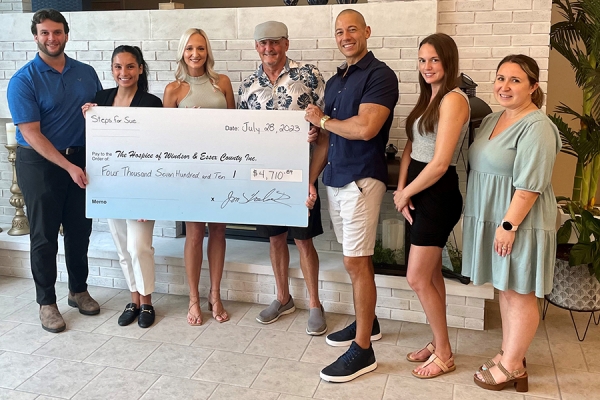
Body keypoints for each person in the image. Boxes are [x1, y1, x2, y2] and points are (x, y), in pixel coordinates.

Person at [304, 9, 399, 382]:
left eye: (352, 29)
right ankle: (368, 323)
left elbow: (364, 127)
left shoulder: (380, 75)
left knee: (357, 262)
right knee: (352, 260)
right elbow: (328, 137)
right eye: (340, 31)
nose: (346, 36)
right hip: (335, 179)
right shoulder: (335, 80)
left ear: (367, 32)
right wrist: (311, 180)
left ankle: (363, 350)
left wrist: (322, 120)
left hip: (361, 180)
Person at [462, 54, 560, 393]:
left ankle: (514, 366)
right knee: (505, 287)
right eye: (501, 78)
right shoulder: (492, 120)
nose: (505, 86)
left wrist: (508, 226)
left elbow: (530, 184)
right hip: (496, 217)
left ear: (533, 86)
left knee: (519, 292)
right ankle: (509, 352)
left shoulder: (537, 126)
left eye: (515, 80)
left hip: (520, 221)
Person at [7, 9, 103, 333]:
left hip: (81, 160)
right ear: (35, 36)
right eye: (45, 33)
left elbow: (101, 116)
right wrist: (68, 167)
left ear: (66, 34)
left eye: (57, 32)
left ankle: (78, 290)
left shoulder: (86, 72)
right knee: (44, 236)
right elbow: (31, 133)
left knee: (80, 231)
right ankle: (47, 302)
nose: (52, 38)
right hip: (40, 164)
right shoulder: (23, 80)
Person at [238, 21, 327, 335]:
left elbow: (328, 123)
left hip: (302, 174)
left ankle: (315, 304)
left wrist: (318, 131)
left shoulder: (309, 75)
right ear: (256, 47)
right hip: (264, 177)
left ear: (286, 44)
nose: (269, 49)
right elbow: (241, 134)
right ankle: (283, 297)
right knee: (275, 239)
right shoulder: (247, 86)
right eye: (263, 43)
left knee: (303, 240)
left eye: (274, 42)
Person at [393, 33, 470, 379]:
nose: (427, 67)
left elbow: (439, 164)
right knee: (432, 275)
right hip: (419, 191)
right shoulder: (429, 98)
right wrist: (402, 189)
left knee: (416, 277)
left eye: (434, 60)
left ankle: (445, 355)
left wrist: (406, 191)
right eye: (422, 60)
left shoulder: (453, 100)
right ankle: (439, 343)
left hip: (439, 195)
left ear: (448, 61)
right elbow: (410, 147)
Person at [82, 46, 162, 328]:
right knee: (122, 248)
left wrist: (149, 198)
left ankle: (148, 302)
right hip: (110, 185)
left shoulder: (152, 103)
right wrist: (88, 117)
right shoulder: (101, 100)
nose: (123, 72)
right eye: (118, 67)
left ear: (140, 68)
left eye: (130, 66)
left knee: (140, 247)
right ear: (112, 69)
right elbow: (96, 142)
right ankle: (134, 299)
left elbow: (157, 152)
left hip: (141, 188)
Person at [163, 28, 235, 326]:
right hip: (190, 173)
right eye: (190, 48)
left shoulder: (223, 83)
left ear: (208, 52)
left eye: (201, 48)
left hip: (220, 169)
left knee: (218, 231)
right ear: (182, 52)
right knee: (194, 233)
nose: (195, 54)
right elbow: (165, 139)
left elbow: (235, 126)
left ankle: (214, 294)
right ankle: (194, 298)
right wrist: (185, 123)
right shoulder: (173, 89)